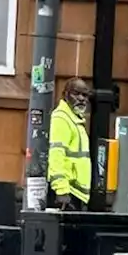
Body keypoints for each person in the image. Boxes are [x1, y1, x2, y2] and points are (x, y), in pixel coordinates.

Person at [48, 78, 92, 211]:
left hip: (75, 193)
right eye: (76, 94)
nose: (81, 99)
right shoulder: (61, 118)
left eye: (84, 95)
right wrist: (61, 190)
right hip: (66, 193)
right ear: (65, 95)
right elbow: (56, 154)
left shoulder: (75, 120)